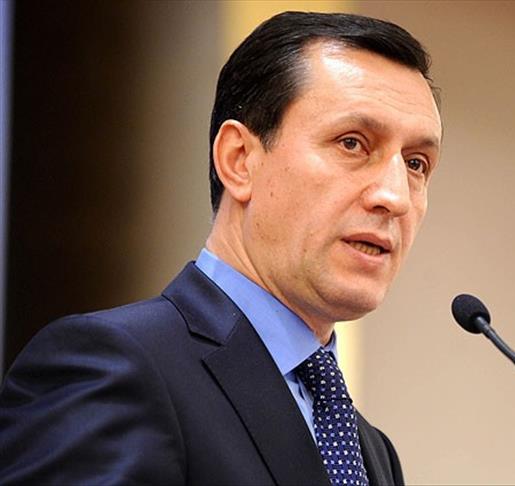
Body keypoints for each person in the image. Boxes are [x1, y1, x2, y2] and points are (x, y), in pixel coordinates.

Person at [0, 11, 441, 485]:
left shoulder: (370, 451)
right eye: (352, 143)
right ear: (239, 160)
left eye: (416, 163)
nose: (394, 196)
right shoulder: (113, 367)